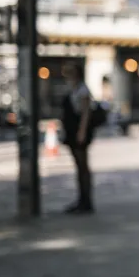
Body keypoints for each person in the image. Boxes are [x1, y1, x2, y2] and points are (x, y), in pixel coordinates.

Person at [61, 64, 94, 214]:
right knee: (79, 167)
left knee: (83, 167)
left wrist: (82, 131)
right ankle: (82, 199)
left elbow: (86, 113)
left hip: (78, 133)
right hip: (72, 132)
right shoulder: (73, 90)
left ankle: (86, 201)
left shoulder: (82, 90)